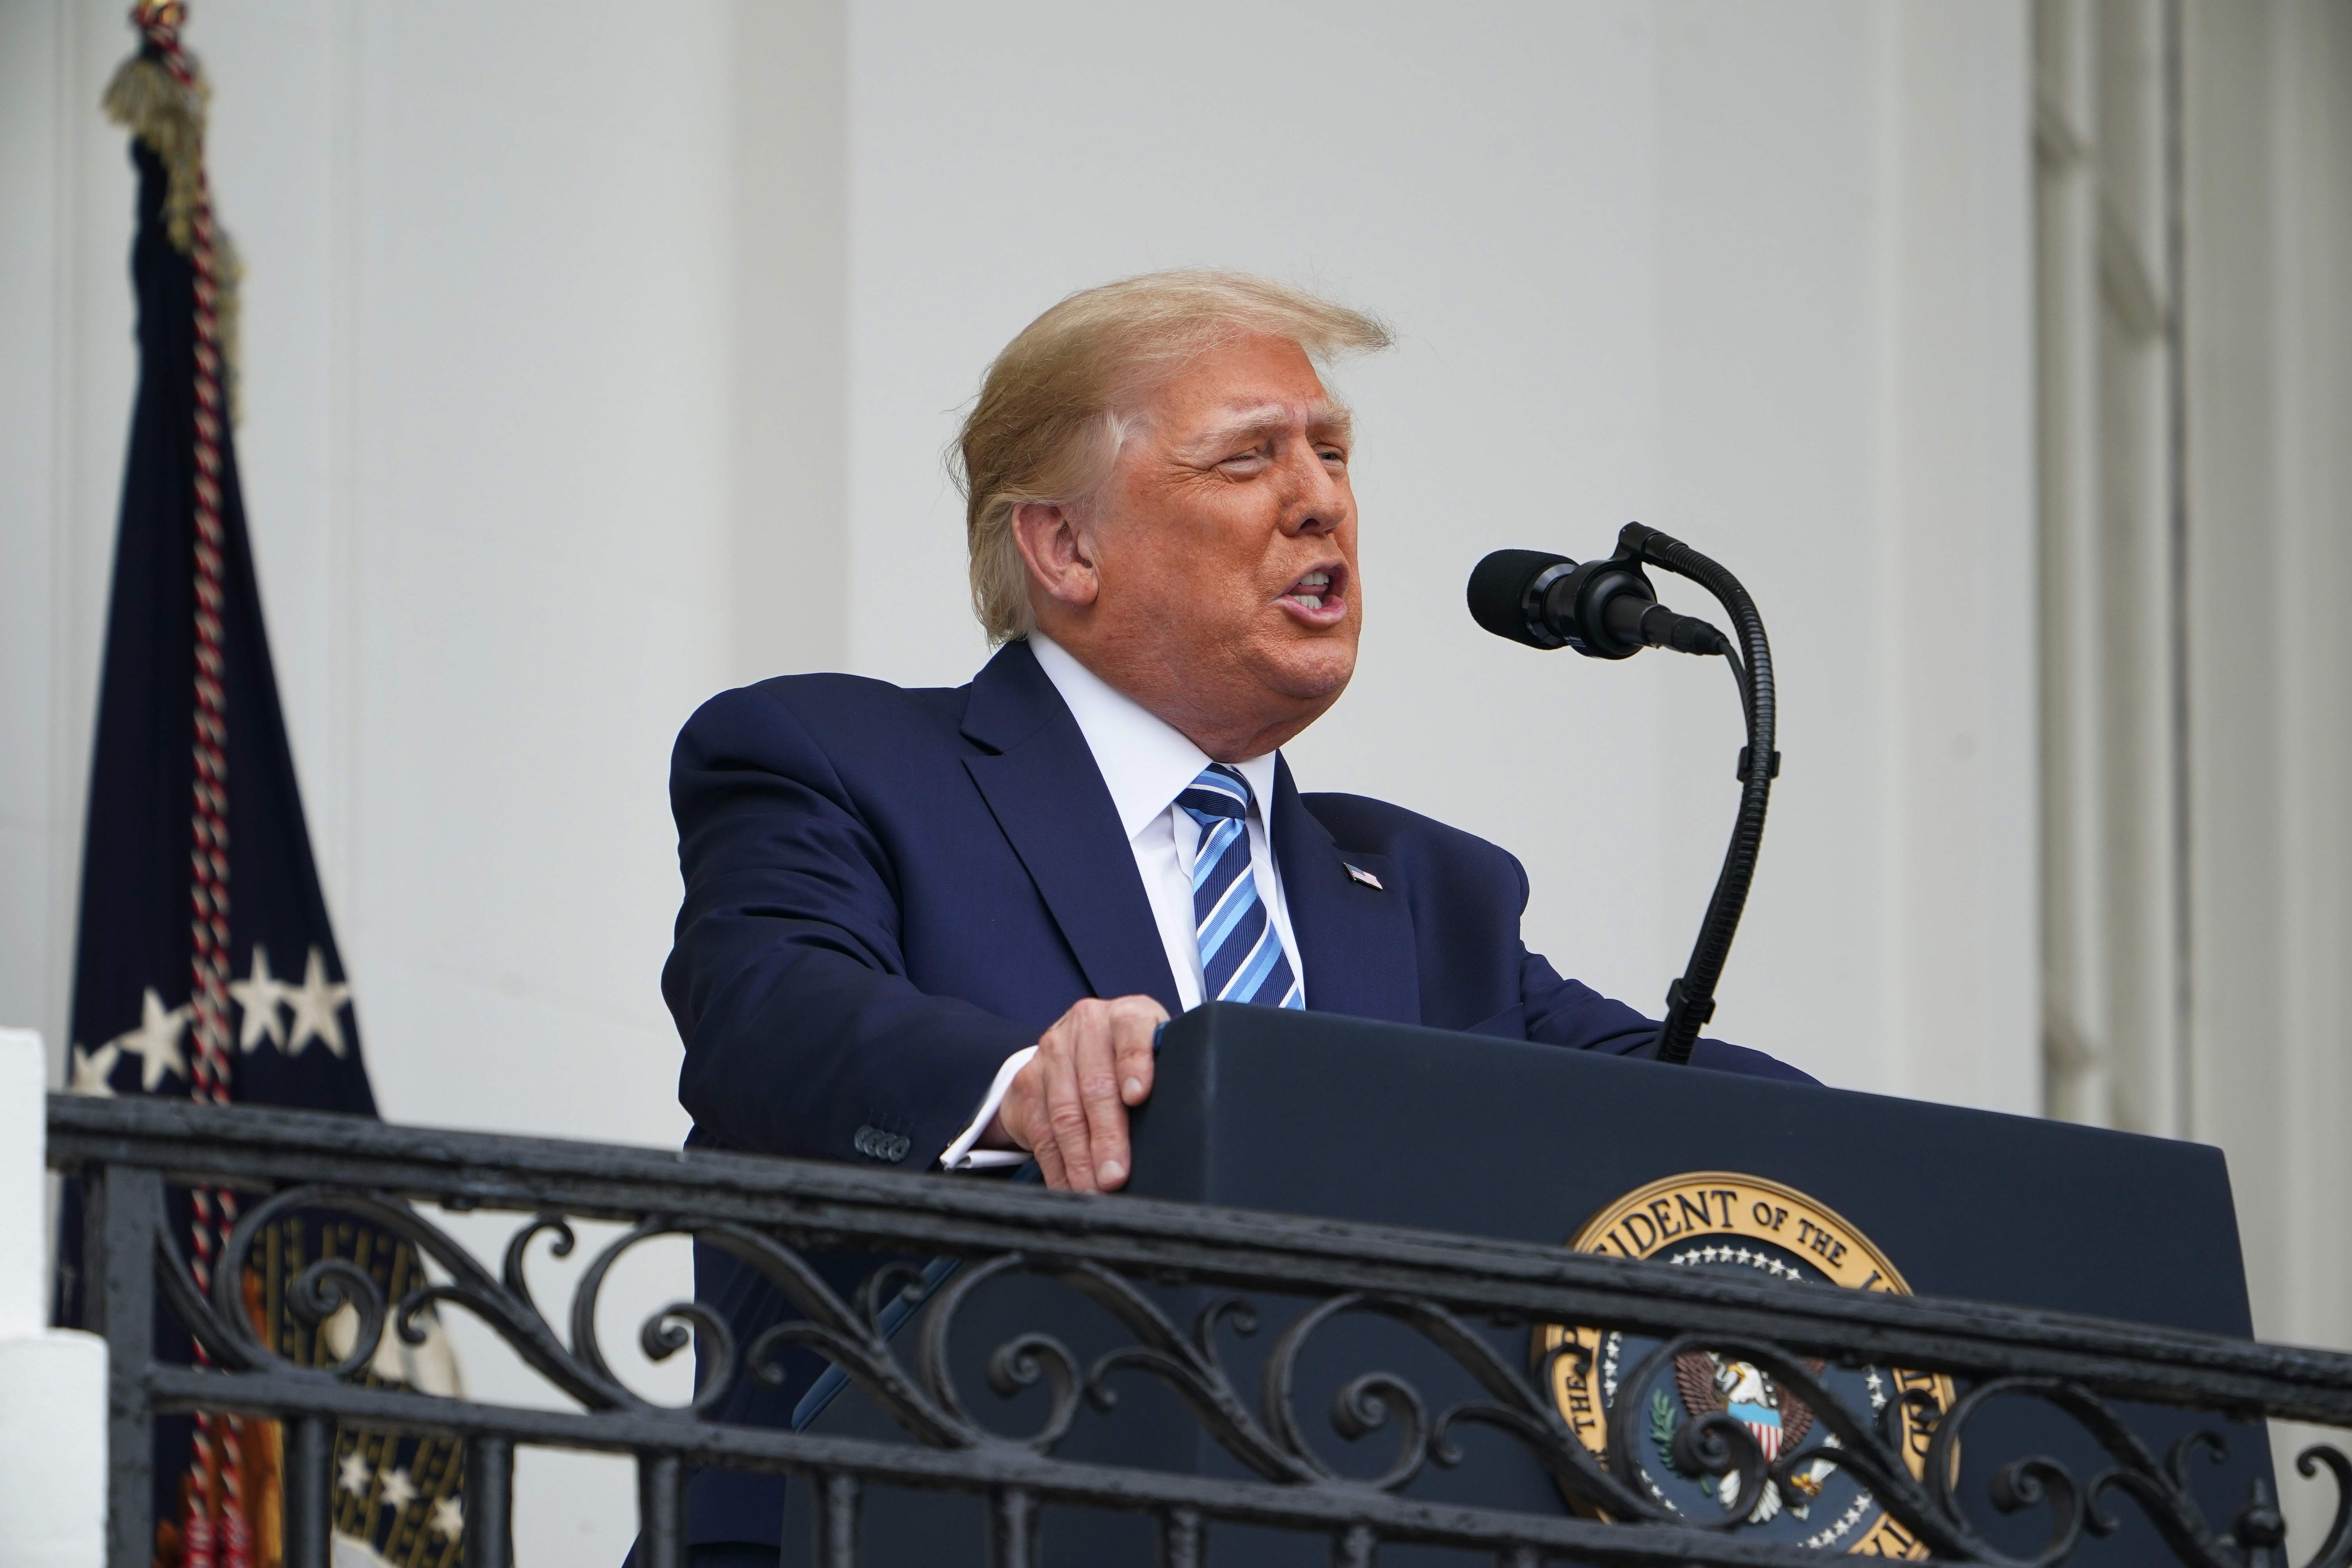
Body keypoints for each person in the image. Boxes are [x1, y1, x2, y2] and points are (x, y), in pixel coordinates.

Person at [657, 270, 1809, 1559]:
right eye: (1247, 458)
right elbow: (770, 1013)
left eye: (1331, 452)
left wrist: (1940, 1189)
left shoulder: (1436, 898)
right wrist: (1023, 1084)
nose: (1320, 498)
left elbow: (1692, 1107)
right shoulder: (837, 756)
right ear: (1065, 545)